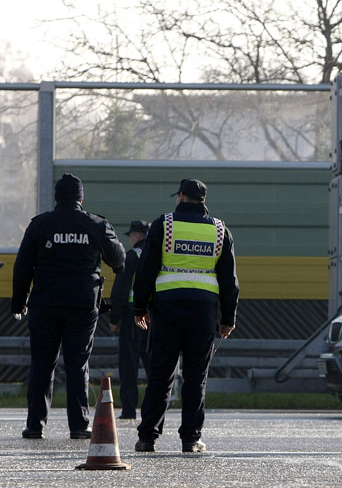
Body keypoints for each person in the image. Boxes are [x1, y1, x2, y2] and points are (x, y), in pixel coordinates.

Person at [11, 173, 126, 439]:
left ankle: (35, 425)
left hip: (45, 305)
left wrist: (19, 303)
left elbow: (22, 267)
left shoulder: (40, 225)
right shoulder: (96, 223)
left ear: (56, 198)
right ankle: (79, 425)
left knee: (42, 363)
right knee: (77, 364)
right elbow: (119, 259)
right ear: (81, 198)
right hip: (82, 306)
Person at [132, 178, 239, 454]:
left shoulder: (164, 225)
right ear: (203, 200)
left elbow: (146, 270)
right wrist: (228, 318)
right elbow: (229, 280)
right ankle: (190, 439)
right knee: (195, 377)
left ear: (180, 197)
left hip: (167, 309)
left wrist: (139, 308)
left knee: (161, 374)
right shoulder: (219, 230)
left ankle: (147, 438)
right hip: (203, 313)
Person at [108, 220, 151, 420]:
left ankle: (129, 410)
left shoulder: (132, 256)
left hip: (134, 316)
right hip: (154, 316)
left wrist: (114, 318)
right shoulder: (158, 255)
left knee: (129, 364)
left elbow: (120, 291)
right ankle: (155, 408)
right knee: (154, 364)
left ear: (136, 236)